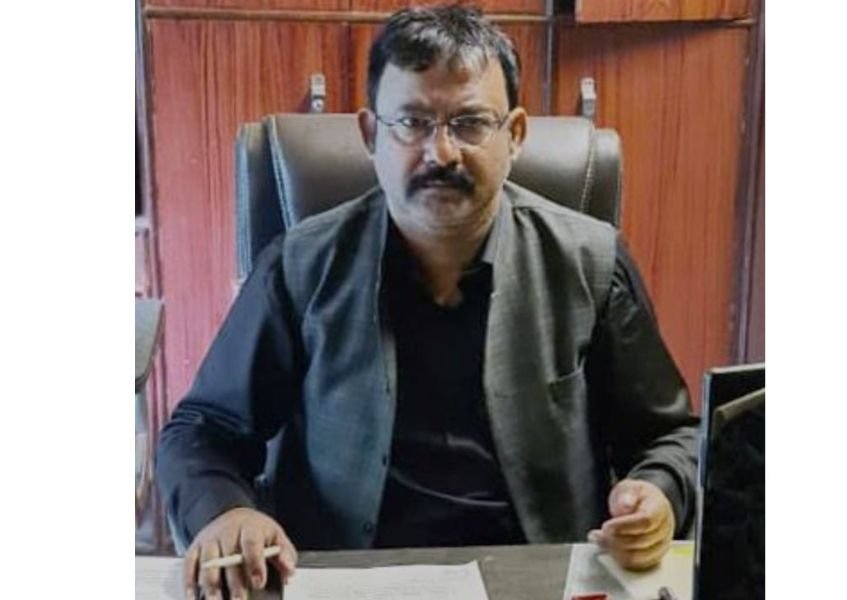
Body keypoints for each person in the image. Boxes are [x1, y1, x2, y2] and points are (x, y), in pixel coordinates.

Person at [156, 5, 699, 600]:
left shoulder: (591, 262)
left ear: (515, 135)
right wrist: (225, 511)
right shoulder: (301, 266)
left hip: (538, 579)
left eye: (470, 123)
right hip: (348, 581)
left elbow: (669, 437)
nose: (441, 153)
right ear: (370, 134)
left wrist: (659, 493)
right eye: (412, 123)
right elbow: (202, 430)